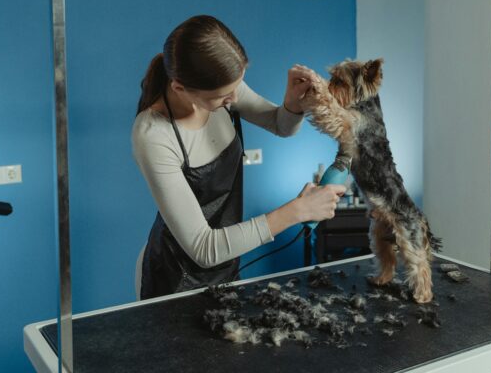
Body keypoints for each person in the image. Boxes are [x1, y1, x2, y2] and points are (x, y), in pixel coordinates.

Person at [132, 15, 346, 300]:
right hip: (175, 279)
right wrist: (297, 211)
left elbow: (280, 125)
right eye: (223, 96)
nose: (234, 98)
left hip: (226, 262)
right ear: (180, 88)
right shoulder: (154, 135)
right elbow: (203, 247)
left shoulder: (224, 88)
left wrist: (293, 104)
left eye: (237, 86)